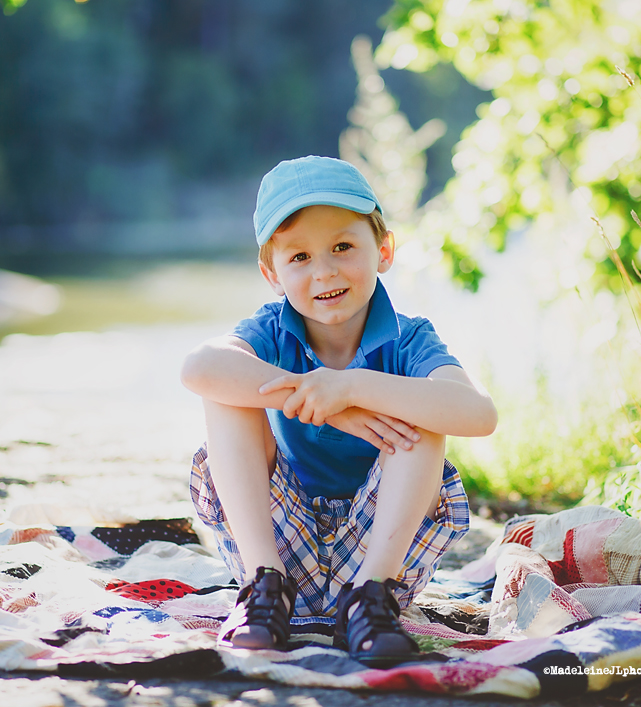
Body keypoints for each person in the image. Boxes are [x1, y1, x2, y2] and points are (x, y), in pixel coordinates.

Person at [180, 155, 498, 667]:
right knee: (229, 389)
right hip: (282, 547)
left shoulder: (409, 337)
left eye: (343, 247)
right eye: (299, 257)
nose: (324, 271)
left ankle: (368, 600)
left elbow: (478, 413)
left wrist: (353, 387)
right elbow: (198, 367)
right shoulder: (270, 330)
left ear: (384, 249)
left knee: (422, 410)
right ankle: (263, 592)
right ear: (272, 273)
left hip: (379, 560)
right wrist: (327, 405)